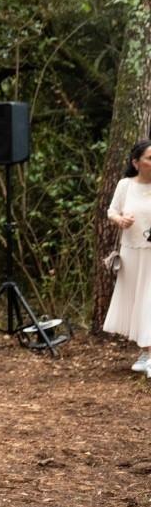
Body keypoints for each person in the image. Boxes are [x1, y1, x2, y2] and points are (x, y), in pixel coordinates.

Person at [104, 139, 151, 376]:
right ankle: (145, 352)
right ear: (136, 162)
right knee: (137, 301)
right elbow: (112, 211)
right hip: (131, 251)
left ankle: (150, 355)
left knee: (149, 300)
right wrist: (120, 220)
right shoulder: (125, 185)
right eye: (150, 158)